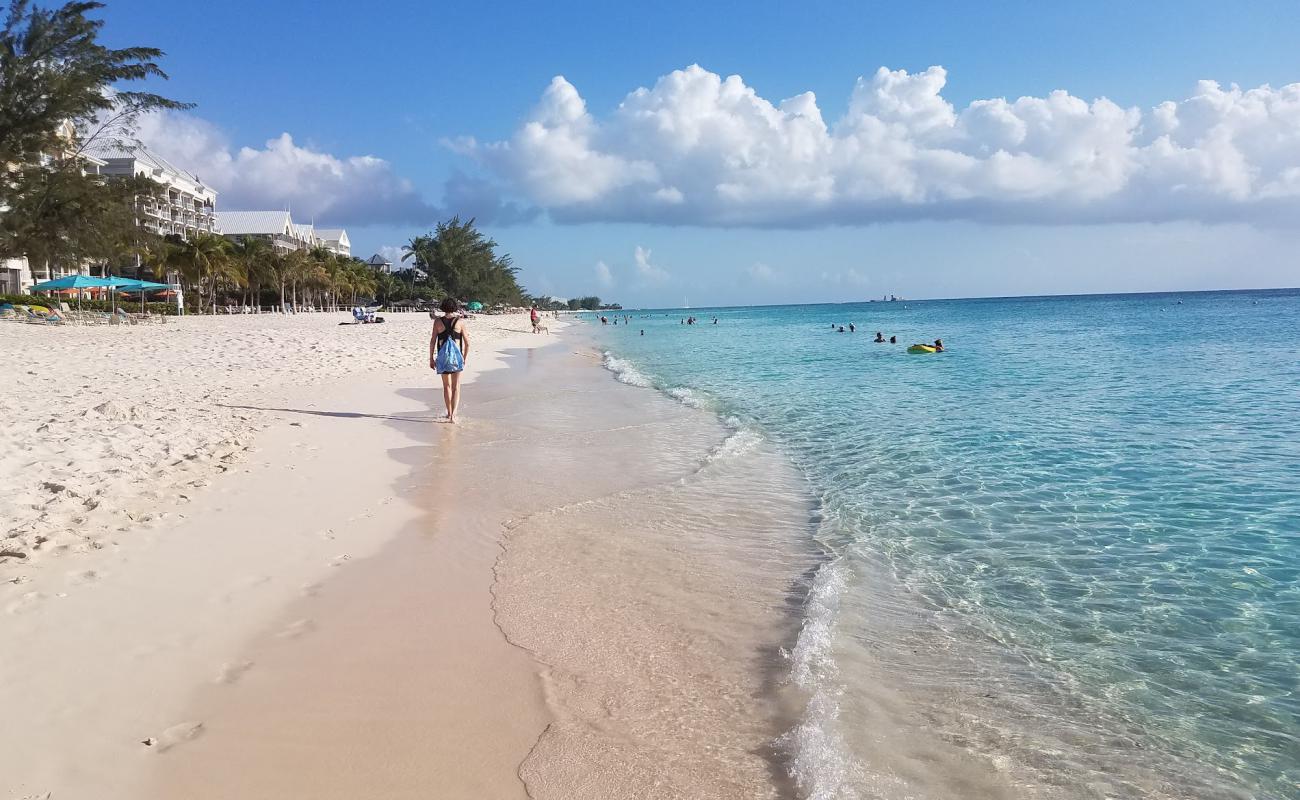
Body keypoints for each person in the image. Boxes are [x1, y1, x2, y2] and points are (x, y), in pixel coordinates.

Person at [431, 299, 470, 423]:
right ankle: (454, 414)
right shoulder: (460, 322)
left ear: (443, 308)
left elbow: (432, 341)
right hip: (456, 358)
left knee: (446, 386)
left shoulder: (437, 322)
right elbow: (467, 343)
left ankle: (448, 413)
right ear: (455, 308)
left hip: (443, 357)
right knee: (456, 387)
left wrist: (431, 358)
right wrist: (464, 358)